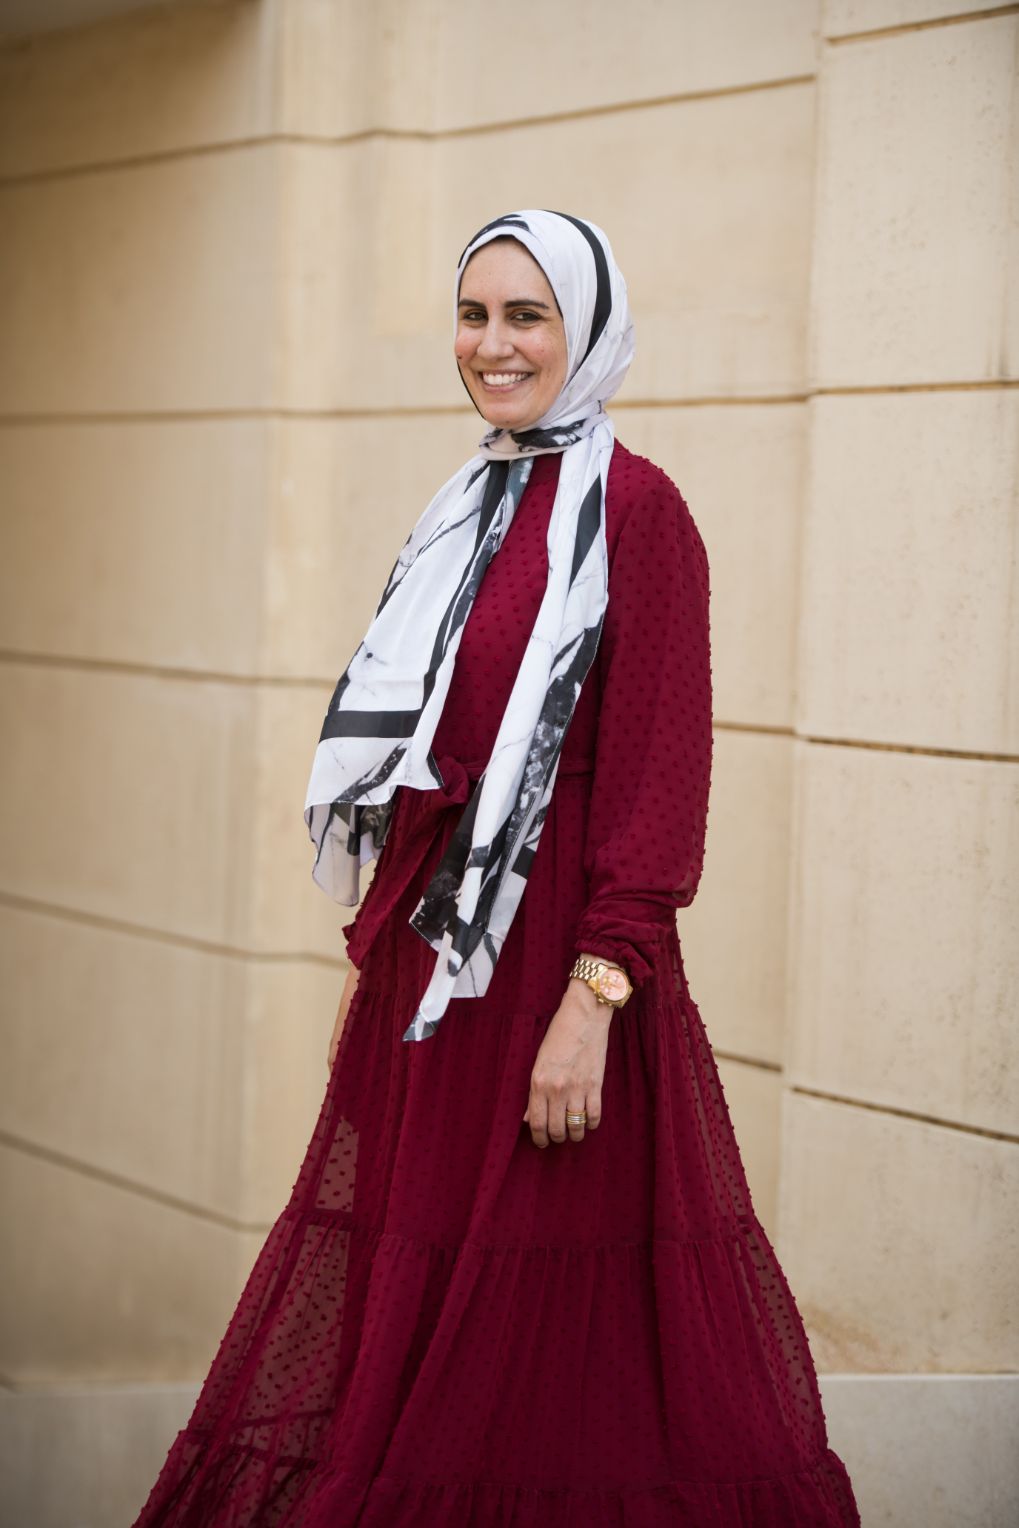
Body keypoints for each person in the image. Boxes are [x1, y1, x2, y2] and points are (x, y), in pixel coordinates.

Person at [132, 210, 860, 1526]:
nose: (494, 344)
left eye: (528, 316)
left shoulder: (640, 511)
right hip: (436, 980)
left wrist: (594, 1002)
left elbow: (660, 783)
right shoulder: (464, 507)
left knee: (551, 1351)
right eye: (474, 315)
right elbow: (425, 755)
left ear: (588, 330)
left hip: (559, 980)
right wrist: (384, 954)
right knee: (409, 1326)